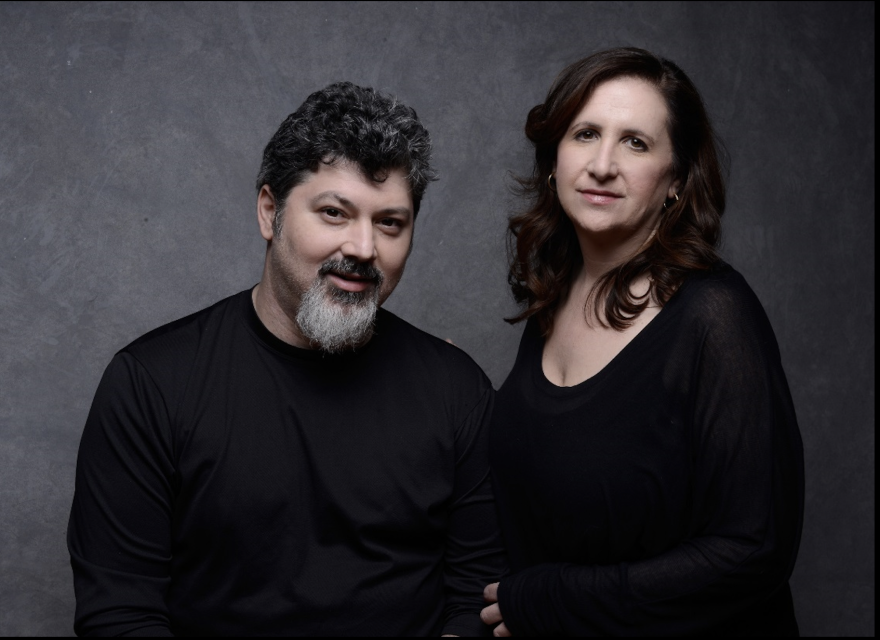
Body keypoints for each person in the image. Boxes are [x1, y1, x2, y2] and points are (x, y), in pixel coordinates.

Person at [68, 81, 505, 637]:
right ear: (269, 212)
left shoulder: (457, 391)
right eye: (334, 213)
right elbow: (120, 614)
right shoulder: (150, 384)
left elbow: (478, 598)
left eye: (389, 223)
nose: (363, 248)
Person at [481, 48, 804, 636]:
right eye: (585, 134)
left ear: (675, 179)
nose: (602, 165)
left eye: (635, 143)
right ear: (554, 158)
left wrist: (555, 600)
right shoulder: (554, 296)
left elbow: (753, 550)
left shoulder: (715, 314)